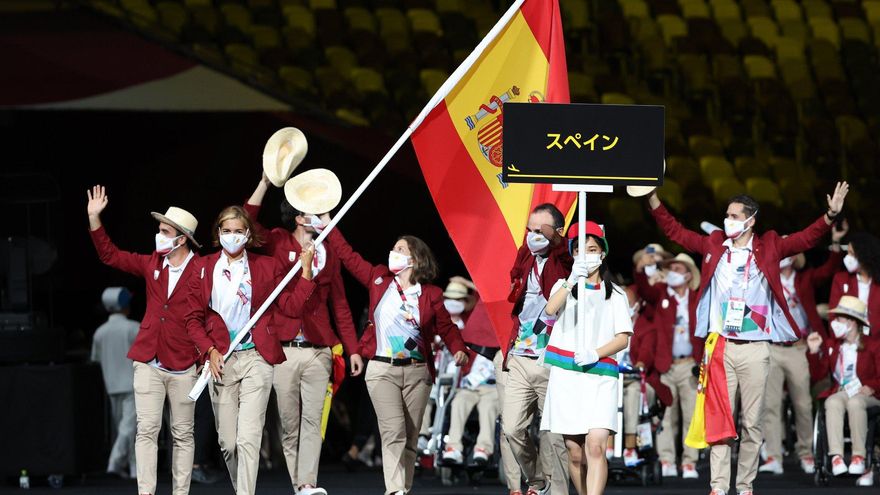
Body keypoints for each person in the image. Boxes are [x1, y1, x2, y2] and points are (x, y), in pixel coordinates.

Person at [645, 181, 849, 495]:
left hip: (756, 349)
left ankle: (744, 486)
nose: (728, 220)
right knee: (720, 420)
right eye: (727, 214)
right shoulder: (714, 245)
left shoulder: (769, 246)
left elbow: (806, 238)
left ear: (750, 220)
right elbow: (676, 232)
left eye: (735, 215)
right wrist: (652, 199)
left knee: (752, 423)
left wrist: (829, 216)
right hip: (721, 346)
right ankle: (717, 487)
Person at [324, 219, 468, 495]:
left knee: (411, 438)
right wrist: (329, 225)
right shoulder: (378, 280)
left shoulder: (431, 294)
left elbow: (446, 328)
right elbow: (348, 255)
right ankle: (394, 490)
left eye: (400, 249)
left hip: (417, 372)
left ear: (415, 259)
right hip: (381, 370)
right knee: (393, 432)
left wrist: (458, 348)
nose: (393, 253)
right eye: (394, 248)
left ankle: (404, 489)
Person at [184, 205, 317, 495]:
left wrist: (306, 272)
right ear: (218, 234)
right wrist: (208, 350)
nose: (233, 236)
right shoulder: (203, 267)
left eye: (239, 231)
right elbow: (192, 319)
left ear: (248, 234)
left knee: (249, 439)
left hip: (257, 356)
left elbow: (292, 307)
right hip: (221, 361)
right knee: (229, 444)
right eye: (227, 231)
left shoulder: (266, 267)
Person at [245, 170, 362, 495]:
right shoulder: (278, 240)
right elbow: (247, 223)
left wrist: (352, 349)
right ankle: (299, 482)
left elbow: (340, 304)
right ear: (298, 216)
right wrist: (265, 183)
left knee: (313, 419)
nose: (318, 215)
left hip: (320, 349)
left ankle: (307, 482)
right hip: (283, 348)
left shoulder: (330, 250)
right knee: (290, 422)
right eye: (311, 210)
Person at [87, 185, 202, 495]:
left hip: (184, 362)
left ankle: (181, 492)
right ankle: (146, 492)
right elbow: (110, 255)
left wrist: (209, 352)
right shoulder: (152, 263)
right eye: (159, 230)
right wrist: (94, 219)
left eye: (165, 231)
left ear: (181, 238)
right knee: (146, 430)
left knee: (182, 434)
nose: (159, 235)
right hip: (148, 359)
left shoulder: (202, 270)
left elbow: (213, 315)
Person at [540, 221, 632, 495]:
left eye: (592, 249)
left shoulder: (616, 294)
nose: (586, 255)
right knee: (575, 451)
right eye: (580, 250)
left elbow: (623, 337)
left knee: (595, 446)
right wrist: (570, 281)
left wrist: (595, 352)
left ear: (602, 254)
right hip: (567, 375)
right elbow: (550, 309)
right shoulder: (563, 286)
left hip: (600, 374)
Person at [759, 224, 847, 475]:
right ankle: (773, 456)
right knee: (771, 405)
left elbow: (829, 270)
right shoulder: (766, 278)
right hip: (772, 346)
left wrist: (835, 243)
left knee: (803, 404)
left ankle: (806, 453)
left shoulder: (805, 278)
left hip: (799, 349)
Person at [503, 203, 572, 495]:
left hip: (550, 358)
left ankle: (556, 490)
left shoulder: (565, 259)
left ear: (557, 233)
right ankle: (536, 479)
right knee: (511, 429)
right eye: (529, 230)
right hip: (520, 354)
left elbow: (564, 256)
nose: (533, 236)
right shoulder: (526, 256)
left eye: (540, 231)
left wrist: (555, 241)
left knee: (553, 435)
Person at [634, 252, 704, 479]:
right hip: (666, 365)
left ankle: (690, 462)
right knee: (666, 415)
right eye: (671, 269)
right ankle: (666, 459)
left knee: (691, 415)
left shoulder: (696, 298)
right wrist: (643, 269)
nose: (673, 273)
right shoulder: (661, 294)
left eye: (678, 269)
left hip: (690, 364)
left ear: (688, 274)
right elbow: (644, 289)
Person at [807, 296, 880, 486]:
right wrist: (814, 352)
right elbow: (818, 375)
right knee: (832, 401)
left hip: (868, 395)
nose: (835, 323)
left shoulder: (873, 345)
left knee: (855, 402)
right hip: (842, 392)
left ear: (852, 322)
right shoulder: (832, 345)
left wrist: (872, 386)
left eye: (839, 318)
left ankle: (858, 457)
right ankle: (836, 457)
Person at [443, 279, 501, 467]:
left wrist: (465, 282)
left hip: (491, 387)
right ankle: (453, 448)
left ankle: (483, 449)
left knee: (489, 406)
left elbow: (482, 296)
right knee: (459, 401)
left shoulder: (501, 333)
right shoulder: (471, 327)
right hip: (469, 386)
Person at [92, 287, 139, 480]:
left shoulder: (100, 332)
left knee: (127, 427)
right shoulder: (133, 327)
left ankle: (135, 469)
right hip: (134, 383)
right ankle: (115, 462)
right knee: (129, 428)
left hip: (111, 385)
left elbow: (95, 359)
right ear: (126, 307)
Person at [830, 231, 880, 341]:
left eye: (852, 253)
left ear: (864, 255)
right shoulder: (841, 279)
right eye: (847, 253)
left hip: (876, 346)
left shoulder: (877, 284)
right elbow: (833, 314)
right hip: (848, 342)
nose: (848, 257)